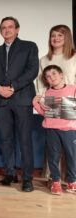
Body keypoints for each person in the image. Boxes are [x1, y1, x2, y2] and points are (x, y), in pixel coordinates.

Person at [0, 16, 39, 192]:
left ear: (17, 29)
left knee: (25, 140)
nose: (7, 30)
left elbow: (32, 70)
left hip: (22, 99)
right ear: (0, 31)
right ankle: (10, 173)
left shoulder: (29, 46)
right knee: (5, 140)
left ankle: (27, 178)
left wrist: (13, 87)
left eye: (10, 27)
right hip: (1, 101)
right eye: (3, 27)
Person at [36, 25, 76, 180]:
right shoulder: (45, 60)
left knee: (69, 143)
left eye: (60, 35)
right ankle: (54, 178)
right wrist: (42, 98)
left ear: (67, 38)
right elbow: (41, 83)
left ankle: (71, 178)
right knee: (54, 144)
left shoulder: (73, 57)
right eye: (53, 35)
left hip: (70, 99)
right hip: (51, 99)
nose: (56, 38)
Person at [33, 65, 76, 195]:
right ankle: (56, 182)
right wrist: (36, 103)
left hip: (69, 130)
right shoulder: (47, 93)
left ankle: (72, 182)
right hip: (51, 129)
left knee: (72, 157)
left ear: (61, 74)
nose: (51, 77)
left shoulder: (73, 88)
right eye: (48, 76)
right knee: (53, 157)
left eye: (54, 74)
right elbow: (45, 113)